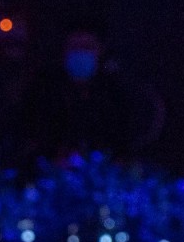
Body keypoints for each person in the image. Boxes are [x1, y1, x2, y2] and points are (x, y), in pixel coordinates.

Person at [16, 26, 165, 162]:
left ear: (100, 50)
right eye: (75, 47)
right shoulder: (43, 90)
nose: (81, 53)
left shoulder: (116, 93)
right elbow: (30, 135)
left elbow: (122, 140)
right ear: (63, 51)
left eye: (87, 47)